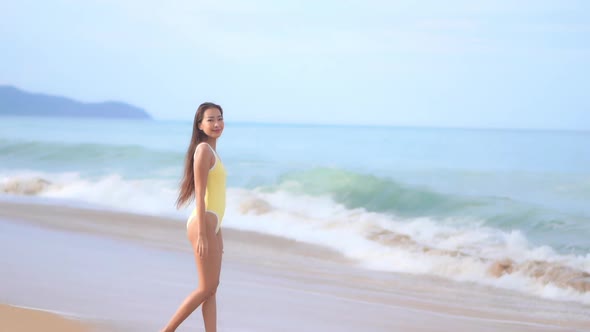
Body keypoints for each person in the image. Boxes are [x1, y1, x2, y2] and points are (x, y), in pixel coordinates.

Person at [162, 102, 226, 332]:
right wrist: (202, 234)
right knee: (205, 287)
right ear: (200, 125)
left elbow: (216, 196)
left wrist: (218, 232)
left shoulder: (212, 151)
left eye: (219, 118)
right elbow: (200, 194)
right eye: (210, 119)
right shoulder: (203, 151)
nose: (217, 123)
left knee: (212, 288)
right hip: (202, 222)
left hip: (212, 224)